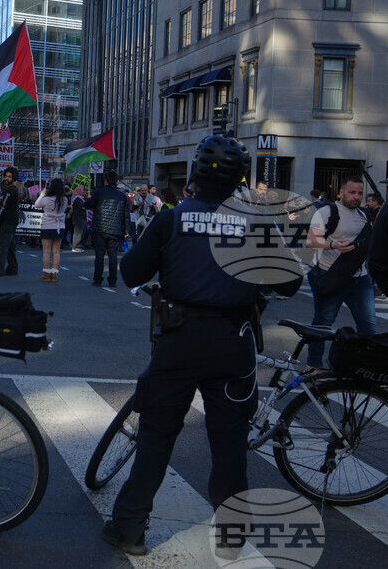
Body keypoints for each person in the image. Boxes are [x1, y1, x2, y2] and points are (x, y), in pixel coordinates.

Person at [102, 135, 302, 556]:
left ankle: (129, 528)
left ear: (195, 174)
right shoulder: (254, 222)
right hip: (234, 344)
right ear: (239, 180)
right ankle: (232, 536)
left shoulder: (171, 218)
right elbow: (290, 282)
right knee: (229, 443)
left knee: (156, 436)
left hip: (179, 340)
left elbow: (132, 271)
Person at [303, 176, 376, 374]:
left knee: (368, 324)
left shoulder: (364, 214)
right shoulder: (327, 212)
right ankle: (313, 365)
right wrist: (333, 245)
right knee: (323, 323)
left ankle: (367, 367)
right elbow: (310, 242)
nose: (356, 197)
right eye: (352, 192)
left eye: (360, 193)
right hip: (329, 275)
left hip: (359, 278)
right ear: (341, 192)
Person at [84, 170, 132, 288]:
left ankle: (98, 279)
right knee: (113, 256)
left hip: (100, 227)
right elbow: (126, 214)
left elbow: (87, 205)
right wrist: (126, 230)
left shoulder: (99, 192)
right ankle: (112, 280)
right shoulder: (122, 196)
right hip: (115, 229)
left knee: (99, 255)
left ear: (105, 181)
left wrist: (90, 198)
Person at [34, 178, 68, 282]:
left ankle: (46, 274)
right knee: (56, 252)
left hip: (47, 227)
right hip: (59, 227)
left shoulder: (46, 199)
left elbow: (36, 204)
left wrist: (43, 192)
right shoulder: (64, 200)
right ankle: (54, 274)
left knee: (46, 252)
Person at [69, 185, 87, 252]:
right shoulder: (77, 199)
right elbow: (82, 207)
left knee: (81, 232)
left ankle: (79, 246)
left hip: (81, 218)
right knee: (78, 233)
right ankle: (76, 246)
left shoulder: (81, 199)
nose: (84, 191)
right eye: (83, 190)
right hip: (78, 218)